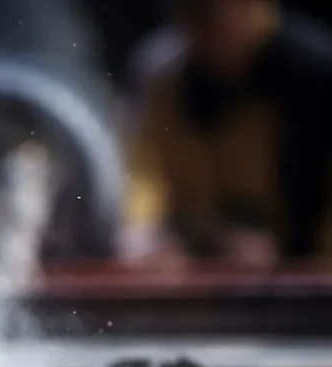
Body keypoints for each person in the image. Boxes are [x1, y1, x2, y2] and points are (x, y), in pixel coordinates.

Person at [121, 0, 332, 269]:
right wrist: (141, 227)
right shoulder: (169, 76)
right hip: (205, 261)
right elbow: (147, 168)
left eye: (214, 18)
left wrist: (295, 261)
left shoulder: (317, 74)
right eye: (191, 16)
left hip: (305, 273)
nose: (201, 30)